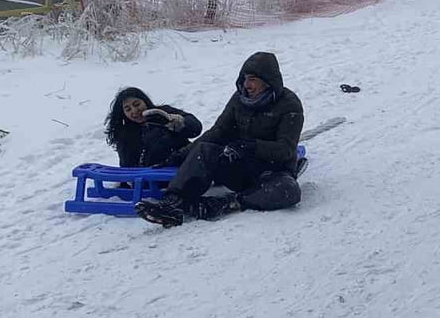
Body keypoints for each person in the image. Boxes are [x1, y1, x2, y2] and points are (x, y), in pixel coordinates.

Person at [135, 52, 304, 228]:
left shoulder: (289, 104)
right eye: (245, 79)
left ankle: (226, 203)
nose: (247, 85)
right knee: (204, 151)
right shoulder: (239, 99)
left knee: (288, 190)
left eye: (253, 79)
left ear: (269, 80)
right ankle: (172, 205)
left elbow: (286, 150)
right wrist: (181, 155)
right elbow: (218, 132)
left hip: (272, 172)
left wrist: (251, 146)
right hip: (243, 167)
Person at [105, 87, 203, 168]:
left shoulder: (163, 112)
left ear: (145, 101)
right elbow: (127, 166)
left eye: (137, 104)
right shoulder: (126, 133)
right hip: (154, 177)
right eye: (128, 109)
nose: (134, 111)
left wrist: (182, 123)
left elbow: (196, 128)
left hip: (185, 164)